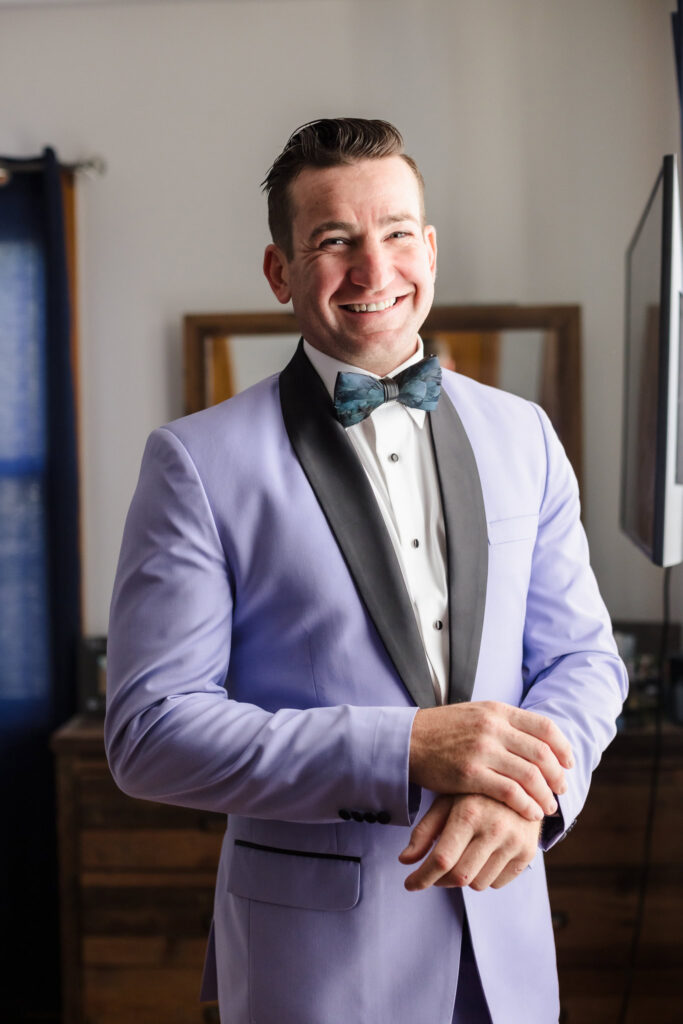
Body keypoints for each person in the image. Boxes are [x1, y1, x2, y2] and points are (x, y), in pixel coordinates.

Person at [105, 118, 627, 1024]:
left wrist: (532, 802)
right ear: (280, 272)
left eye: (393, 234)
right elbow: (149, 733)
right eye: (332, 241)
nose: (373, 270)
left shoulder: (524, 436)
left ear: (428, 247)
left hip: (507, 946)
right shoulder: (194, 462)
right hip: (316, 972)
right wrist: (405, 746)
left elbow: (584, 662)